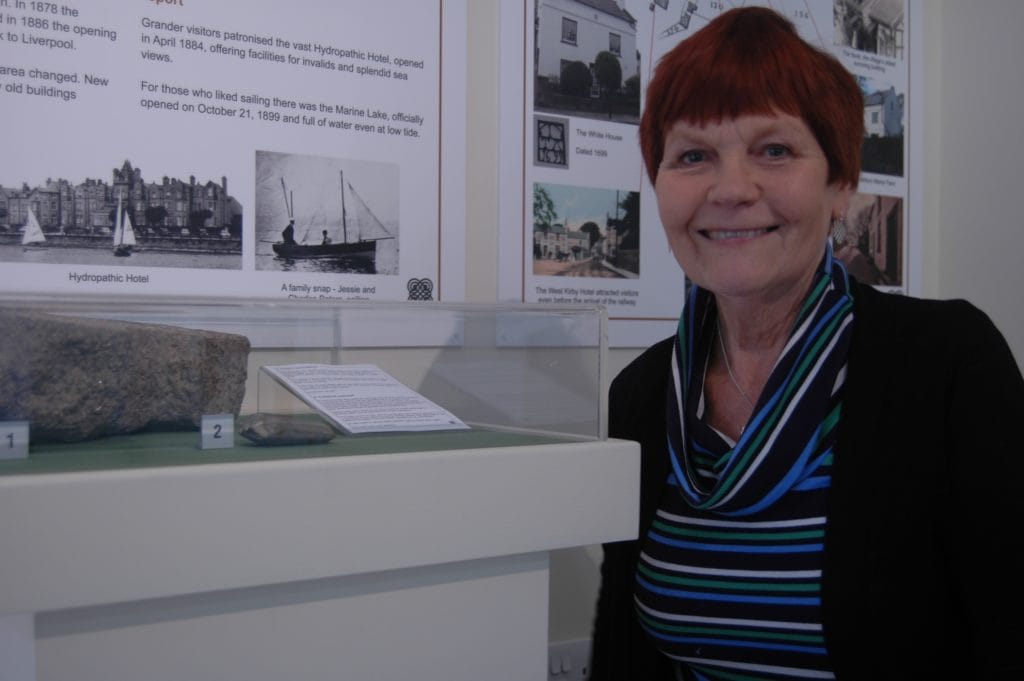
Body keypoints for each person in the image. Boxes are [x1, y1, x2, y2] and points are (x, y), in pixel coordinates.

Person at [589, 7, 1024, 680]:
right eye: (693, 155)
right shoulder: (643, 393)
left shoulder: (947, 365)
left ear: (841, 184)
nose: (731, 189)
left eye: (775, 150)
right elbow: (625, 648)